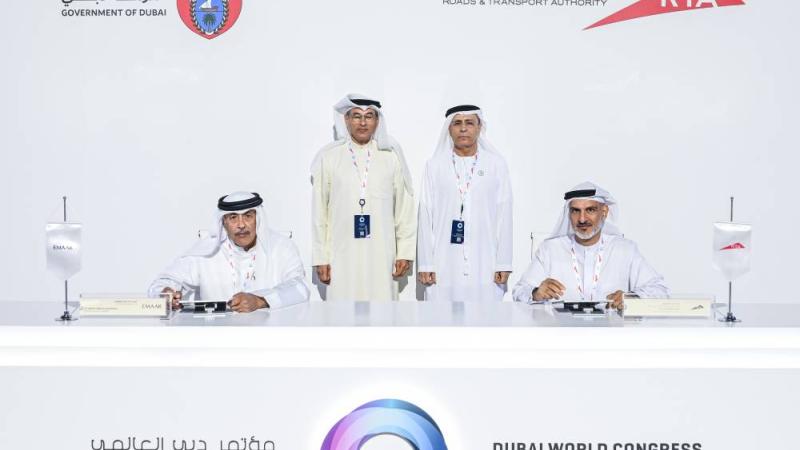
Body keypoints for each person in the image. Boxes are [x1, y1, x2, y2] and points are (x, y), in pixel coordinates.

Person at [310, 94, 416, 301]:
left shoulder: (391, 157)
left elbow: (404, 209)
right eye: (357, 116)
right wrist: (320, 257)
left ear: (377, 121)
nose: (363, 122)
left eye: (369, 116)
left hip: (382, 253)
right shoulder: (330, 158)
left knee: (383, 308)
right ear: (346, 120)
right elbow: (319, 212)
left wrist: (404, 252)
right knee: (342, 310)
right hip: (341, 254)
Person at [512, 182, 669, 309]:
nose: (582, 219)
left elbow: (660, 290)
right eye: (575, 211)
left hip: (612, 334)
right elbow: (519, 290)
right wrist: (536, 293)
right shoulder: (550, 250)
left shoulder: (625, 250)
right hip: (561, 333)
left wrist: (631, 298)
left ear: (604, 212)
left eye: (590, 210)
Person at [148, 191, 309, 312]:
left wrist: (260, 300)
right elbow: (162, 283)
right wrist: (165, 294)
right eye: (233, 217)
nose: (241, 225)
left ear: (257, 218)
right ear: (223, 222)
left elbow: (300, 288)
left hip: (270, 336)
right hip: (217, 336)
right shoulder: (207, 251)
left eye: (248, 216)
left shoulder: (281, 247)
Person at [417, 105, 513, 301]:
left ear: (479, 127)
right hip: (444, 261)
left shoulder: (496, 165)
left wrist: (503, 262)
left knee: (485, 314)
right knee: (442, 314)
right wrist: (426, 263)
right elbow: (425, 215)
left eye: (469, 123)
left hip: (485, 260)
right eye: (457, 123)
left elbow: (505, 215)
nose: (463, 129)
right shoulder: (434, 166)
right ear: (449, 128)